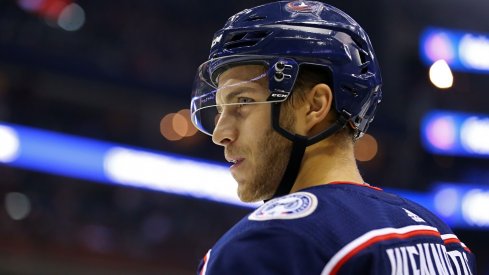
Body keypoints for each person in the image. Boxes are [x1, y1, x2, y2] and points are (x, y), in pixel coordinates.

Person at [190, 1, 477, 274]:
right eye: (219, 110)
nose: (220, 133)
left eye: (243, 102)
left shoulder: (268, 244)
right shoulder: (445, 242)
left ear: (315, 106)